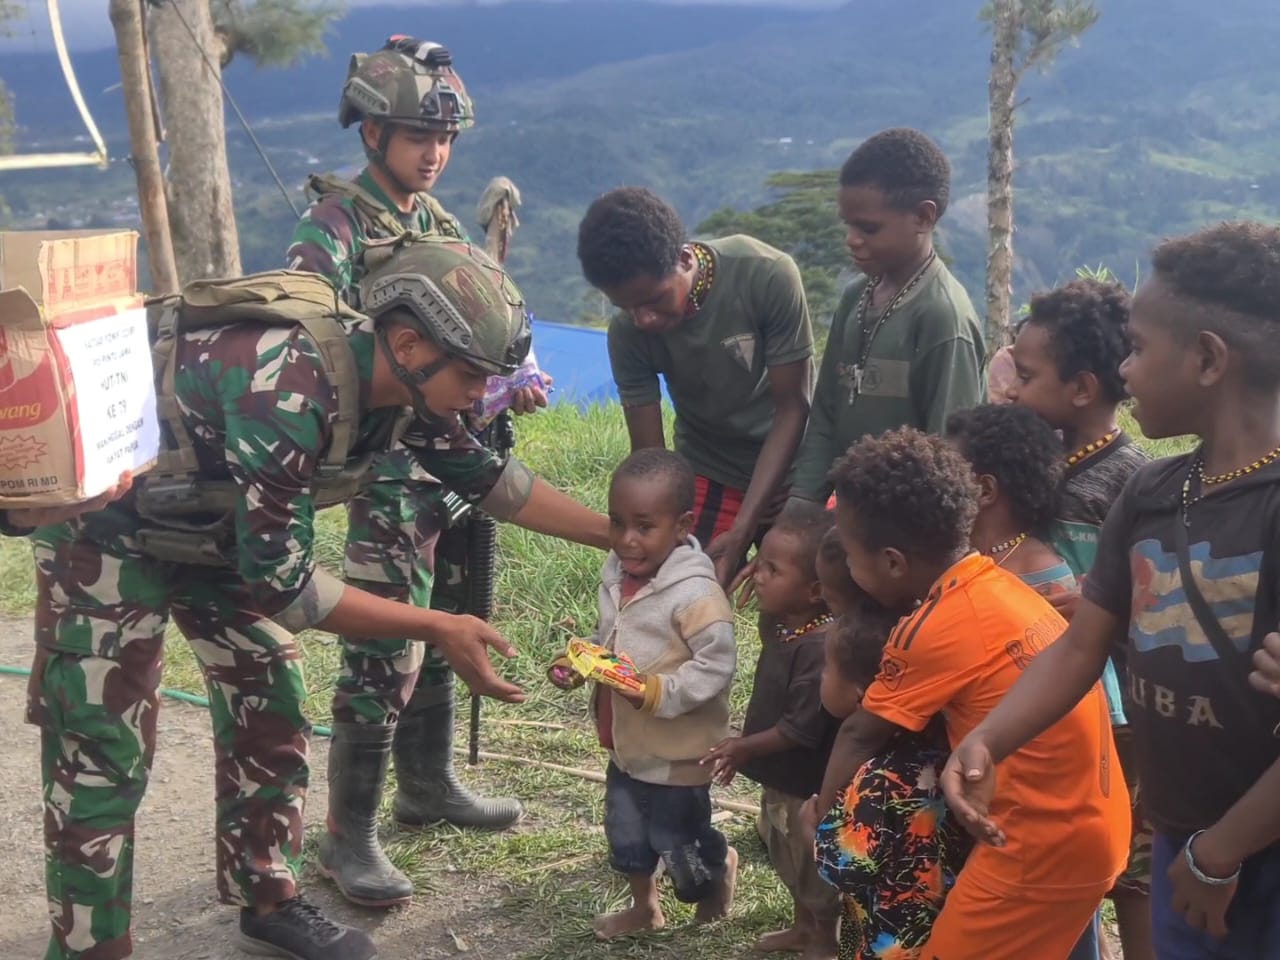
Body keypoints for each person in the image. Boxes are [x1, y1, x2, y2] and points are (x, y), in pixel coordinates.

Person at [27, 238, 609, 960]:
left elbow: (489, 479)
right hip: (109, 534)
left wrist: (621, 536)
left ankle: (267, 896)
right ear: (407, 341)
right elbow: (289, 587)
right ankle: (91, 947)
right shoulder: (289, 387)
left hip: (211, 530)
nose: (479, 393)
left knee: (271, 689)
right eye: (472, 375)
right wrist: (439, 626)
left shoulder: (405, 386)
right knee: (103, 742)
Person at [943, 222, 1280, 960]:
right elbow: (1079, 648)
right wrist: (987, 739)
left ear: (1207, 359)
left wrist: (1222, 853)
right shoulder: (1154, 493)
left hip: (1252, 849)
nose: (1124, 371)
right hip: (1183, 838)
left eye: (1138, 348)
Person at [286, 37, 545, 908]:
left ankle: (427, 784)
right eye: (413, 137)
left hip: (444, 458)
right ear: (371, 136)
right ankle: (346, 836)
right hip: (385, 466)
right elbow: (309, 344)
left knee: (445, 620)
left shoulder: (436, 225)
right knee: (383, 640)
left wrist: (508, 378)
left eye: (444, 140)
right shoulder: (335, 226)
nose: (433, 154)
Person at [812, 427, 1130, 959]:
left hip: (1034, 850)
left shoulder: (934, 627)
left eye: (847, 553)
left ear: (892, 562)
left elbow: (859, 733)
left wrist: (827, 827)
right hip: (1094, 826)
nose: (844, 565)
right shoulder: (1000, 583)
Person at [1002, 277, 1154, 960]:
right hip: (1053, 698)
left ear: (1083, 389)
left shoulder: (1131, 482)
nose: (1012, 389)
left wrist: (1099, 597)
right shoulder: (1038, 462)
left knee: (1134, 860)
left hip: (1121, 705)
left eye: (1027, 376)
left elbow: (1158, 588)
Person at [577, 186, 814, 586]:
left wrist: (743, 530)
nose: (643, 320)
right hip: (708, 466)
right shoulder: (627, 333)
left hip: (792, 464)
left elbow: (794, 407)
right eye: (626, 307)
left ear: (685, 258)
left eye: (653, 300)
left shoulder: (765, 274)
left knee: (800, 601)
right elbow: (650, 462)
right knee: (670, 593)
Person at [548, 448, 738, 939]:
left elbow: (716, 667)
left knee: (681, 844)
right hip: (628, 743)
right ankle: (644, 908)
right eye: (616, 523)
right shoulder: (618, 574)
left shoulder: (697, 595)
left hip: (678, 750)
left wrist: (658, 692)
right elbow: (609, 640)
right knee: (627, 837)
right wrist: (580, 662)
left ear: (682, 526)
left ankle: (716, 874)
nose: (626, 540)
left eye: (643, 526)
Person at [789, 127, 985, 506]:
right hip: (848, 513)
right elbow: (826, 415)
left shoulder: (943, 318)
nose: (851, 239)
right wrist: (801, 505)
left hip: (905, 528)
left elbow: (949, 459)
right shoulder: (854, 300)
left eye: (868, 228)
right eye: (848, 224)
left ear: (923, 217)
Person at [702, 502, 841, 959]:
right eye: (760, 564)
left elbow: (800, 730)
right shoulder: (786, 626)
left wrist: (742, 747)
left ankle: (823, 938)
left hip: (805, 784)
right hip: (779, 778)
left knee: (811, 867)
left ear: (816, 590)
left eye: (772, 571)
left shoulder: (820, 648)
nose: (758, 576)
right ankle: (802, 928)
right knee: (785, 857)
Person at [814, 612, 971, 960]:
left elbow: (846, 870)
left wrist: (808, 827)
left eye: (826, 668)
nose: (820, 676)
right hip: (956, 922)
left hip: (891, 936)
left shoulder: (877, 778)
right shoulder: (949, 753)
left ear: (860, 694)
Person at [945, 404, 1076, 597]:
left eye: (948, 470)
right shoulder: (945, 553)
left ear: (986, 490)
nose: (937, 478)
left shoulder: (1043, 575)